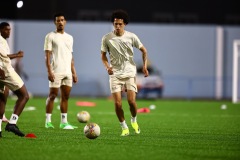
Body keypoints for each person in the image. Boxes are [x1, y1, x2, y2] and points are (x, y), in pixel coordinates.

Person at [101, 9, 149, 136]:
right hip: (115, 74)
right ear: (113, 23)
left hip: (130, 73)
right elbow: (103, 56)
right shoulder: (107, 38)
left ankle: (134, 120)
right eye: (115, 24)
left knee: (132, 102)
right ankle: (124, 128)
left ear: (125, 24)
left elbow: (144, 50)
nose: (117, 26)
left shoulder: (131, 36)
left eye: (120, 24)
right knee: (117, 103)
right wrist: (107, 67)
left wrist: (144, 67)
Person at [44, 12, 78, 129]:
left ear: (65, 22)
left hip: (67, 72)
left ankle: (64, 122)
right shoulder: (50, 36)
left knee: (66, 97)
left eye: (62, 20)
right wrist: (49, 71)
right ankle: (48, 121)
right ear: (55, 22)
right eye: (58, 20)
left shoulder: (70, 37)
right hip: (56, 71)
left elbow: (71, 56)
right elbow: (47, 56)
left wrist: (74, 72)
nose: (60, 22)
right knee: (52, 95)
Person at [0, 22, 29, 137]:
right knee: (24, 95)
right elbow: (3, 57)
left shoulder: (3, 41)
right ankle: (12, 123)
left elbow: (4, 55)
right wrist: (17, 55)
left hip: (2, 72)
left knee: (2, 99)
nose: (9, 32)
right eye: (6, 29)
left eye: (10, 29)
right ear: (1, 29)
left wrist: (16, 55)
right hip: (5, 72)